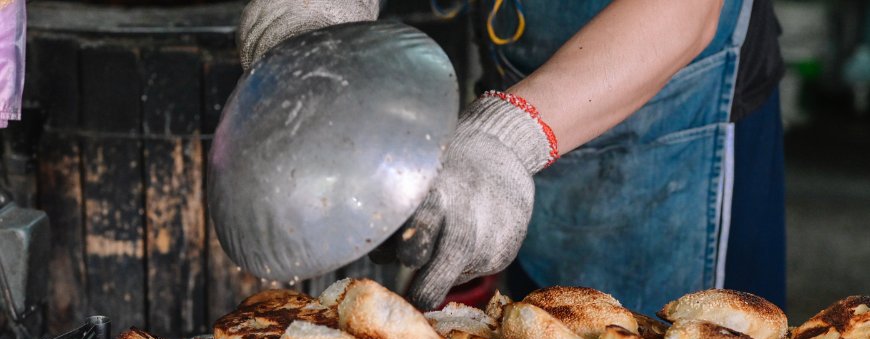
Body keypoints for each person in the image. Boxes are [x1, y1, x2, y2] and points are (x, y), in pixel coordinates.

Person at [237, 0, 786, 315]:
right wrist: (304, 24)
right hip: (518, 74)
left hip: (672, 119)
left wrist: (505, 138)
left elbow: (681, 12)